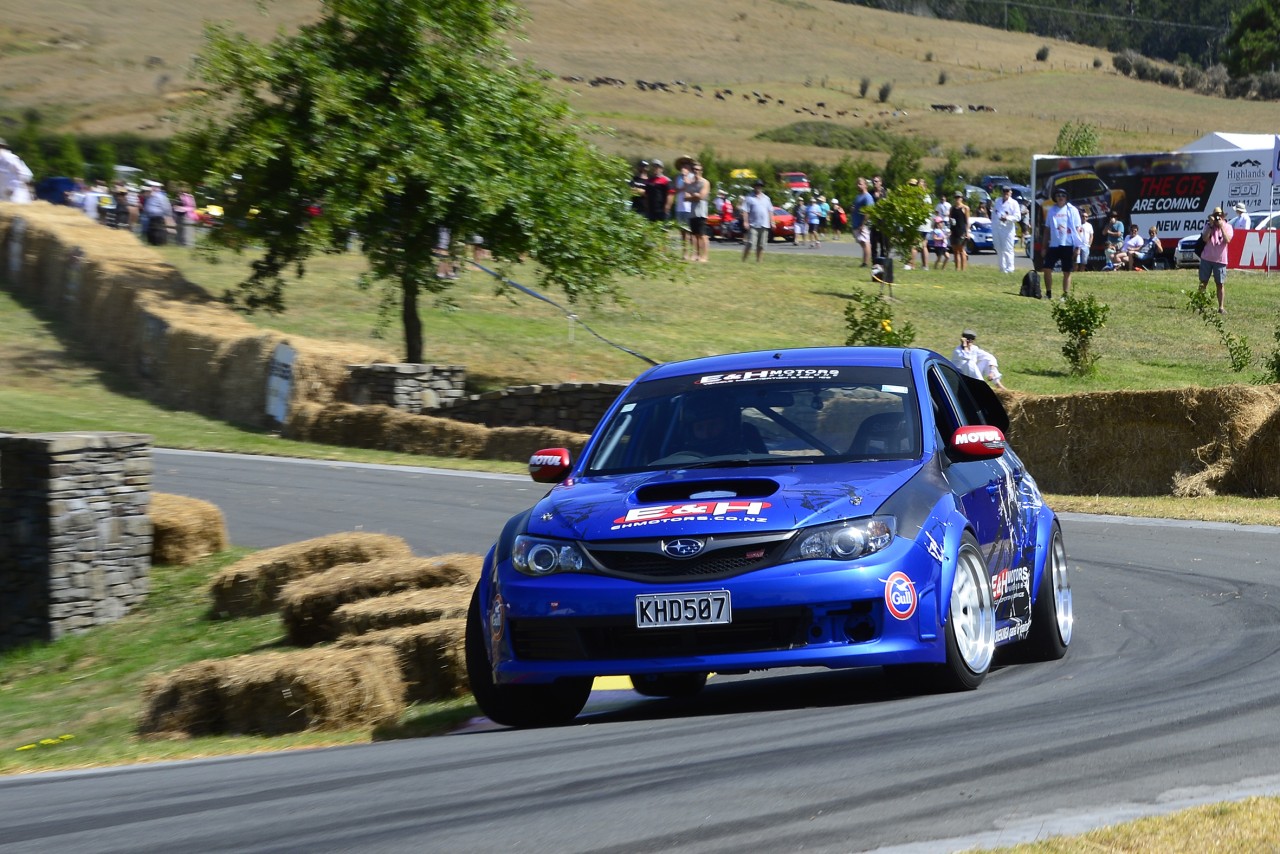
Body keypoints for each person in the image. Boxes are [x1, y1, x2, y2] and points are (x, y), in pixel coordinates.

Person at [1039, 187, 1084, 300]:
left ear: (1066, 198)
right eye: (1058, 195)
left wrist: (1077, 247)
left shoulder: (1072, 210)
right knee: (1047, 268)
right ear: (1055, 198)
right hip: (1054, 245)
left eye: (1063, 196)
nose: (1060, 198)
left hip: (1068, 244)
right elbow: (1047, 230)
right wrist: (1044, 247)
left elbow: (1078, 229)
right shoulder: (1051, 210)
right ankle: (1048, 293)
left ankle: (1065, 295)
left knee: (1067, 271)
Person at [1198, 206, 1234, 313]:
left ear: (1223, 216)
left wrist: (1221, 227)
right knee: (1203, 282)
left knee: (1220, 283)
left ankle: (1221, 307)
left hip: (1220, 260)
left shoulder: (1228, 227)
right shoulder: (1208, 226)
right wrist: (1211, 225)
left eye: (1219, 216)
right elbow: (1204, 238)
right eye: (1216, 216)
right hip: (1207, 258)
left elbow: (1227, 240)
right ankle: (1200, 304)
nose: (1218, 218)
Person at [741, 180, 773, 262]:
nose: (758, 187)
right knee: (751, 243)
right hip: (753, 224)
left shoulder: (766, 198)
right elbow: (745, 210)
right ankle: (744, 260)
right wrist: (745, 221)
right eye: (757, 186)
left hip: (764, 224)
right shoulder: (749, 198)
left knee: (762, 245)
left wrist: (772, 221)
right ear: (754, 187)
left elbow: (770, 211)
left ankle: (759, 261)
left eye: (760, 186)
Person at [991, 186, 1021, 274]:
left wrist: (1007, 218)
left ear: (1011, 192)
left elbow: (1018, 217)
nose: (1005, 193)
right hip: (997, 228)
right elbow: (994, 213)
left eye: (1007, 191)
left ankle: (1010, 268)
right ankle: (1002, 268)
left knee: (1007, 249)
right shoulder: (997, 201)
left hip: (1007, 229)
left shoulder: (1014, 203)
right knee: (998, 248)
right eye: (1004, 191)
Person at [685, 162, 711, 263]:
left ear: (701, 171)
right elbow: (685, 197)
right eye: (694, 169)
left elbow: (701, 196)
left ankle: (705, 256)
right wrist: (694, 195)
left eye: (698, 169)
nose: (696, 171)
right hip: (692, 212)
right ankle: (696, 255)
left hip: (701, 212)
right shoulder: (691, 183)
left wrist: (694, 196)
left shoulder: (705, 182)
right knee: (694, 235)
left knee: (702, 235)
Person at [0, 138, 34, 203]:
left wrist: (12, 188)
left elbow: (26, 174)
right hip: (4, 196)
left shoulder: (9, 158)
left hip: (17, 196)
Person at [851, 177, 874, 267]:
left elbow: (868, 211)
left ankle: (865, 263)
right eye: (857, 183)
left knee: (865, 242)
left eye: (860, 183)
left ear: (865, 185)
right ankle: (865, 261)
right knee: (861, 242)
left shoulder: (867, 197)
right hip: (856, 223)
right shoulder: (858, 196)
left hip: (863, 224)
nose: (858, 185)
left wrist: (862, 224)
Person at [949, 192, 970, 271]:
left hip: (961, 230)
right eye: (956, 197)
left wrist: (967, 231)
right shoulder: (952, 208)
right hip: (954, 230)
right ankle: (957, 268)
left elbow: (967, 221)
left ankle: (963, 269)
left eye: (959, 197)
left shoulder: (965, 208)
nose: (957, 199)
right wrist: (950, 229)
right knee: (955, 250)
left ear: (961, 198)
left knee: (961, 250)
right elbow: (950, 219)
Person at [1076, 205, 1094, 271]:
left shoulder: (1089, 225)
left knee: (1083, 263)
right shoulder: (1077, 224)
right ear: (1080, 217)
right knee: (1076, 262)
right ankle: (1075, 274)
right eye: (1083, 216)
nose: (1084, 217)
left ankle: (1081, 274)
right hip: (1077, 246)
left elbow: (1091, 236)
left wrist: (1089, 245)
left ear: (1087, 218)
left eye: (1086, 216)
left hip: (1085, 246)